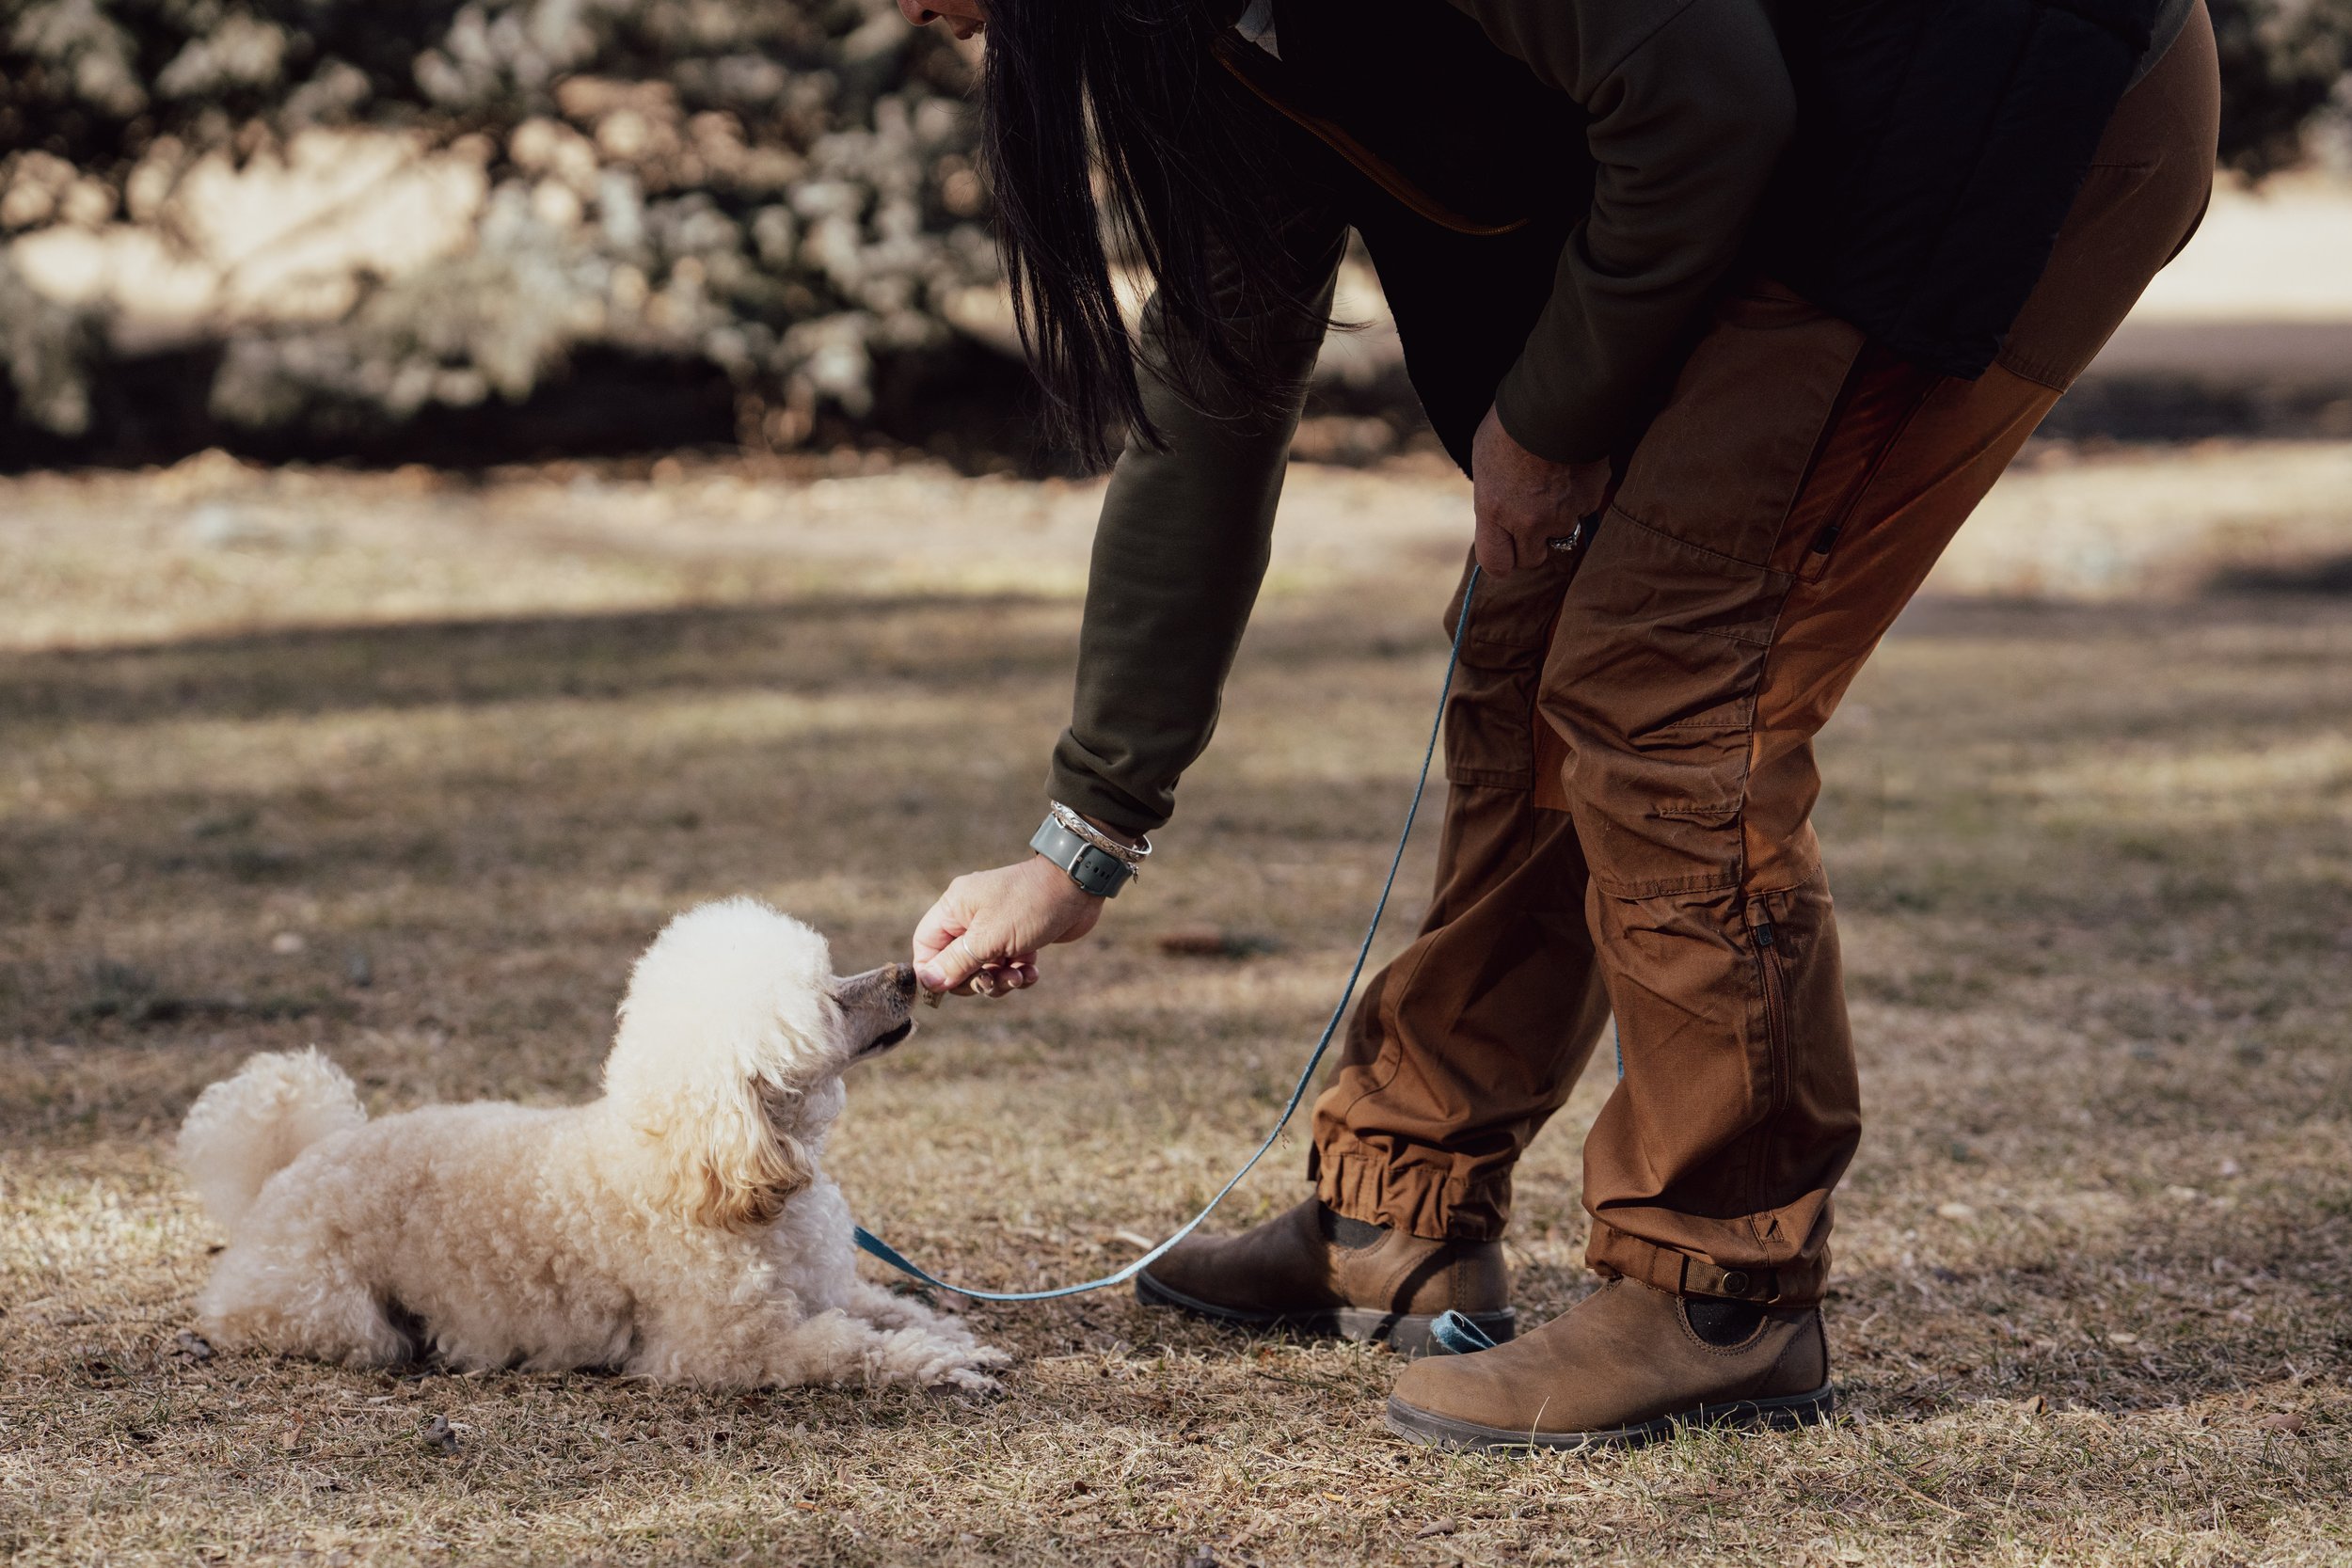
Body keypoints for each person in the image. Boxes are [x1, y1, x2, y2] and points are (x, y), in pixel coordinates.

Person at [897, 0, 2219, 1449]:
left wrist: (1549, 417)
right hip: (1790, 150)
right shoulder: (1189, 36)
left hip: (1995, 86)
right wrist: (1082, 838)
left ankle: (1724, 1290)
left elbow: (1703, 100)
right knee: (1534, 655)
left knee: (1666, 676)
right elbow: (1212, 390)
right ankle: (1400, 1203)